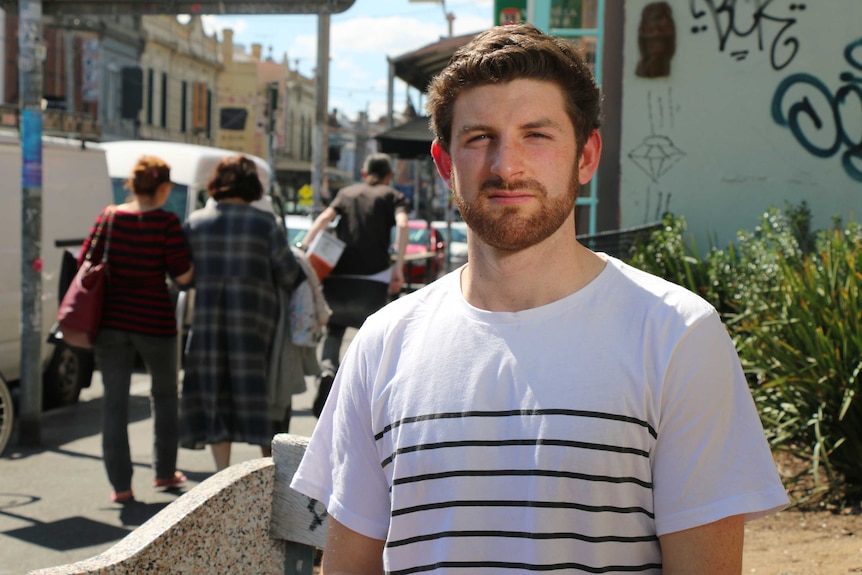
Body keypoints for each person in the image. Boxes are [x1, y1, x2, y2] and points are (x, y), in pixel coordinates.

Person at [290, 24, 789, 574]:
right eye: (480, 137)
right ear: (445, 163)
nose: (507, 165)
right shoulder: (383, 343)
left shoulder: (676, 335)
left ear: (586, 155)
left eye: (537, 134)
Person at [81, 155, 193, 504]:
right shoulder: (166, 222)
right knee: (163, 396)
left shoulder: (109, 217)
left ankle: (121, 486)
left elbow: (86, 260)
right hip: (154, 322)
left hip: (110, 322)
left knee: (114, 403)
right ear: (162, 188)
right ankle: (164, 472)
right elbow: (184, 276)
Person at [180, 155, 303, 471]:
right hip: (254, 327)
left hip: (207, 327)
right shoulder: (265, 224)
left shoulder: (195, 223)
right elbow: (288, 275)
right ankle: (268, 474)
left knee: (214, 395)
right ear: (252, 187)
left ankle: (221, 474)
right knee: (261, 399)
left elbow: (184, 277)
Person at [300, 153, 409, 418]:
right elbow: (403, 224)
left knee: (334, 330)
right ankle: (358, 394)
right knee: (371, 336)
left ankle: (328, 370)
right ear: (388, 175)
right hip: (373, 280)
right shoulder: (392, 196)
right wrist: (399, 266)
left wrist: (305, 247)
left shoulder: (346, 193)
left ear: (364, 173)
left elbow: (325, 218)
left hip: (338, 278)